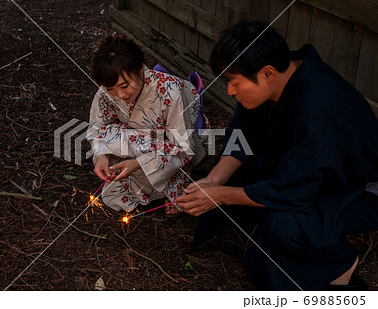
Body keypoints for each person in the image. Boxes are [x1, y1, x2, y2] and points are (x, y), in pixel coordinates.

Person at [175, 21, 378, 290]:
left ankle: (338, 263)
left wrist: (221, 195)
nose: (230, 91)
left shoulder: (319, 108)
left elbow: (292, 190)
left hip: (359, 189)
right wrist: (213, 182)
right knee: (243, 173)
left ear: (268, 73)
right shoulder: (274, 76)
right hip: (309, 170)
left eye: (234, 83)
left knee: (284, 228)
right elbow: (243, 136)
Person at [86, 33, 208, 214]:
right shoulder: (107, 90)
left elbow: (183, 148)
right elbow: (98, 128)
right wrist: (101, 155)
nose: (120, 95)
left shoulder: (170, 93)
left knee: (134, 148)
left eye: (125, 86)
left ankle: (165, 184)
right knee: (113, 196)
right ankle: (142, 178)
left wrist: (138, 163)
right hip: (140, 142)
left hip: (173, 146)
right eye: (111, 89)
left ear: (140, 69)